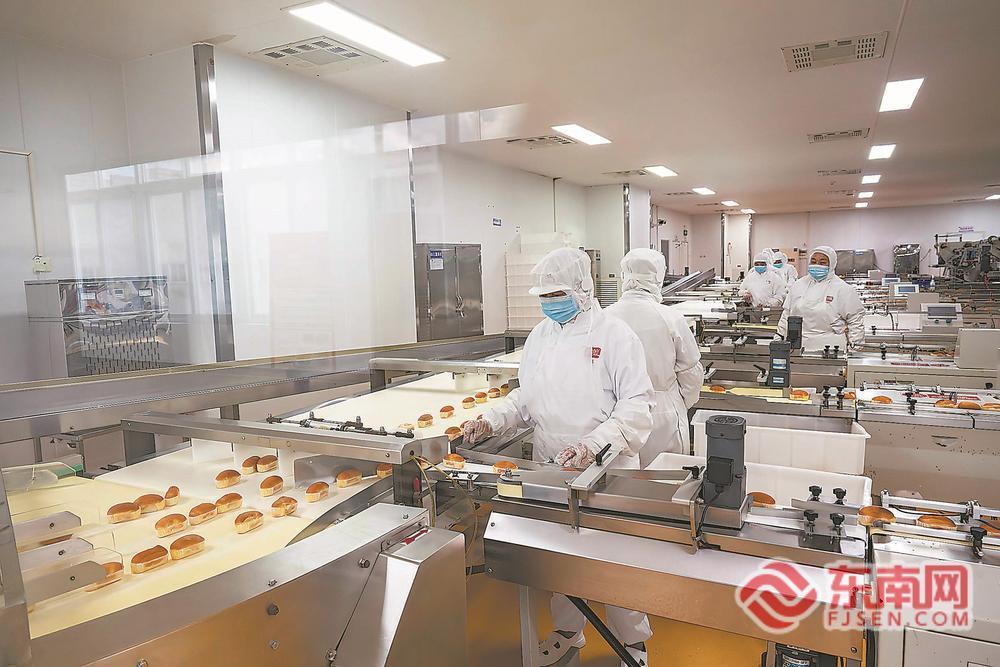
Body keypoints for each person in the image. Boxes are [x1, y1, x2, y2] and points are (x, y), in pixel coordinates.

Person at [462, 246, 655, 667]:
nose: (550, 303)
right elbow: (526, 399)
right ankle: (569, 633)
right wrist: (492, 420)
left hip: (609, 467)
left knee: (617, 561)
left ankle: (633, 646)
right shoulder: (540, 337)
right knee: (560, 559)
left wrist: (592, 445)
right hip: (552, 465)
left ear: (582, 289)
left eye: (557, 294)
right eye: (544, 296)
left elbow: (636, 406)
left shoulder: (615, 335)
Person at [604, 248, 704, 464]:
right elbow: (691, 374)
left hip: (615, 416)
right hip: (662, 414)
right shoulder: (670, 318)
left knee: (621, 477)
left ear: (624, 276)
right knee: (665, 475)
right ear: (658, 277)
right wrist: (676, 403)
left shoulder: (604, 318)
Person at [777, 245, 866, 351]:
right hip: (798, 346)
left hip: (831, 348)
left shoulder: (843, 289)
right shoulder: (798, 285)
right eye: (813, 261)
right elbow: (786, 315)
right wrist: (779, 337)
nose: (817, 265)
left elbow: (855, 320)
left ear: (832, 264)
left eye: (822, 263)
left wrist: (855, 346)